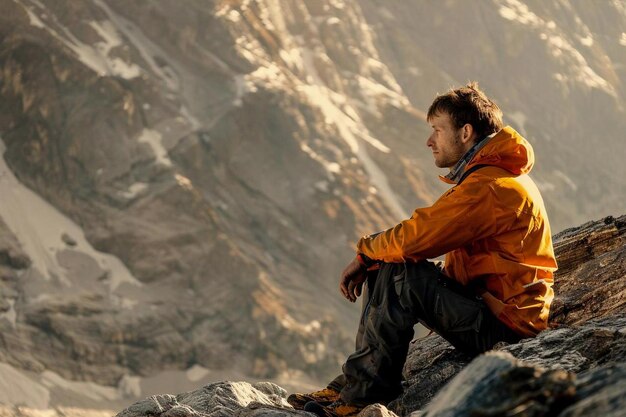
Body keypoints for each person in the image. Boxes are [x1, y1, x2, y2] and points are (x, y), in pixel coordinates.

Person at [287, 82, 558, 417]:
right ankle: (351, 386)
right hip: (493, 309)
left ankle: (361, 398)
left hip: (505, 329)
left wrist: (365, 251)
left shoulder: (490, 188)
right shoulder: (490, 178)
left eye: (437, 130)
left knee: (400, 268)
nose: (430, 141)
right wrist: (372, 255)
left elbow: (417, 237)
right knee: (389, 263)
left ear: (466, 132)